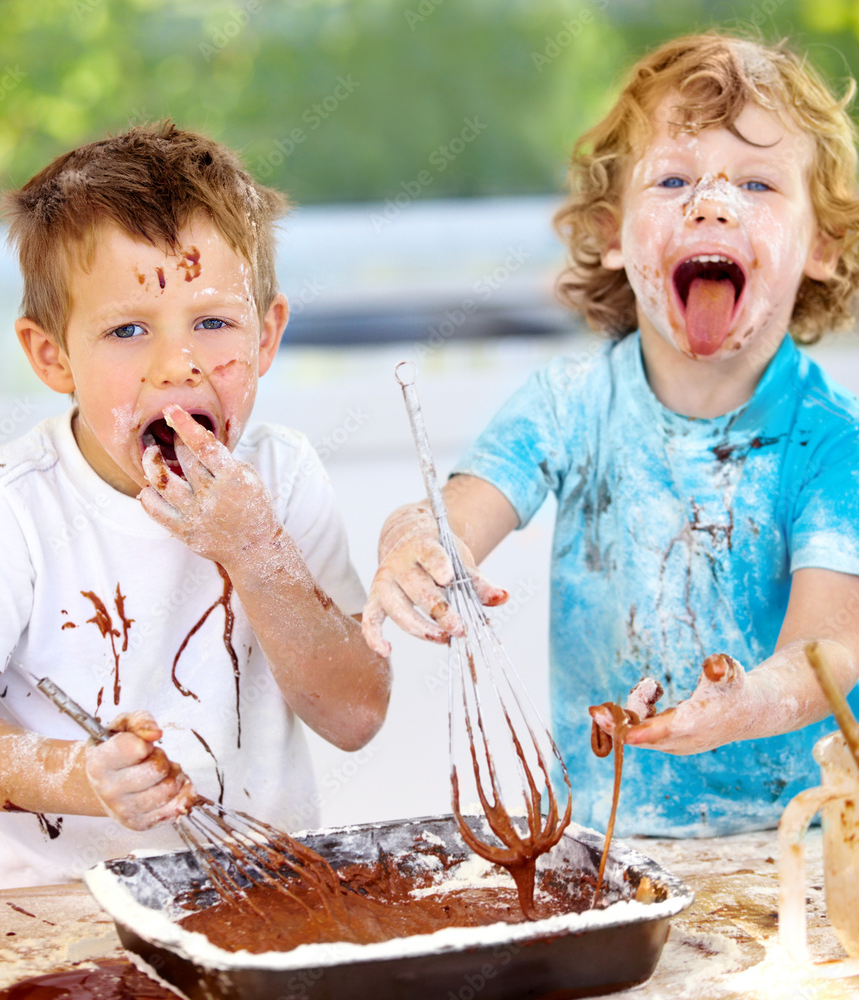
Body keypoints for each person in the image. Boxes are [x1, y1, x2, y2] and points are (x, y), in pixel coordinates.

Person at [362, 33, 859, 837]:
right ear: (613, 234)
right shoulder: (567, 406)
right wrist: (413, 544)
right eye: (673, 180)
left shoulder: (835, 446)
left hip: (795, 844)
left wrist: (746, 704)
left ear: (823, 247)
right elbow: (455, 513)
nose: (713, 203)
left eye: (759, 183)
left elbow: (830, 649)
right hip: (604, 834)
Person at [0, 122, 391, 890]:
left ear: (266, 337)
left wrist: (256, 552)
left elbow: (355, 715)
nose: (176, 366)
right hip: (55, 924)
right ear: (51, 355)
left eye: (213, 321)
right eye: (128, 329)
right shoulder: (9, 502)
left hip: (261, 905)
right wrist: (79, 776)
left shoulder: (283, 479)